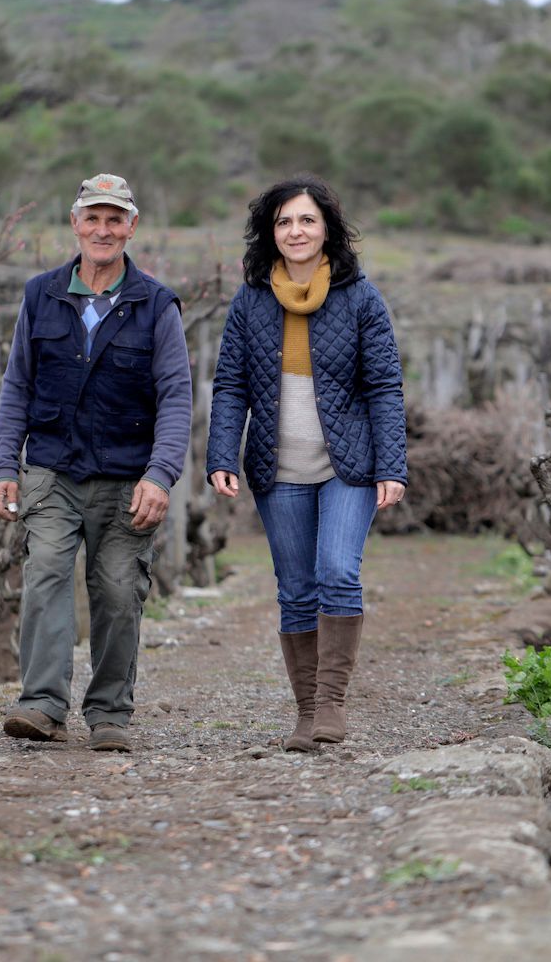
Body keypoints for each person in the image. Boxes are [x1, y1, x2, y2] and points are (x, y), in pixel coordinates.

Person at [0, 173, 191, 754]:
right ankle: (43, 706)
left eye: (115, 219)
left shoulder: (156, 305)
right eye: (93, 218)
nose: (103, 230)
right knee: (46, 571)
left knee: (119, 589)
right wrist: (5, 466)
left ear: (131, 227)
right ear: (75, 224)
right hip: (53, 469)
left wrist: (160, 475)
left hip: (128, 477)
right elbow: (17, 387)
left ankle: (108, 714)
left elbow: (176, 395)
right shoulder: (41, 294)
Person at [206, 174, 407, 751]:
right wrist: (222, 453)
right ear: (271, 233)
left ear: (327, 231)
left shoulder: (362, 297)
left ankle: (332, 705)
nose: (296, 231)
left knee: (338, 573)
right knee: (295, 589)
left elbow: (386, 387)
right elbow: (230, 385)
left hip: (349, 465)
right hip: (277, 468)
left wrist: (391, 466)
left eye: (307, 220)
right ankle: (305, 711)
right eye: (284, 221)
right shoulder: (250, 300)